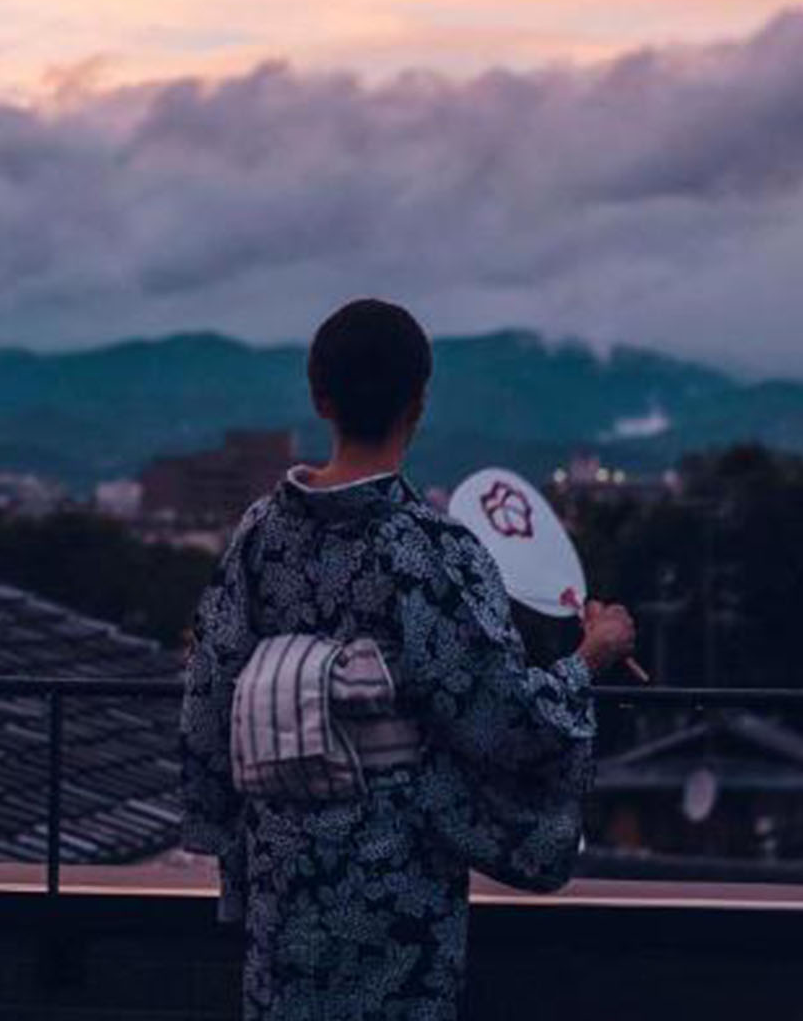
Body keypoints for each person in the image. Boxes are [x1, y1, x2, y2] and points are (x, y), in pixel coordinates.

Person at [179, 298, 637, 1020]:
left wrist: (225, 834)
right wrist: (591, 657)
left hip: (281, 867)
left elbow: (210, 691)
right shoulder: (431, 551)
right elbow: (503, 719)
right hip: (394, 877)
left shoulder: (259, 534)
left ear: (318, 396)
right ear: (418, 402)